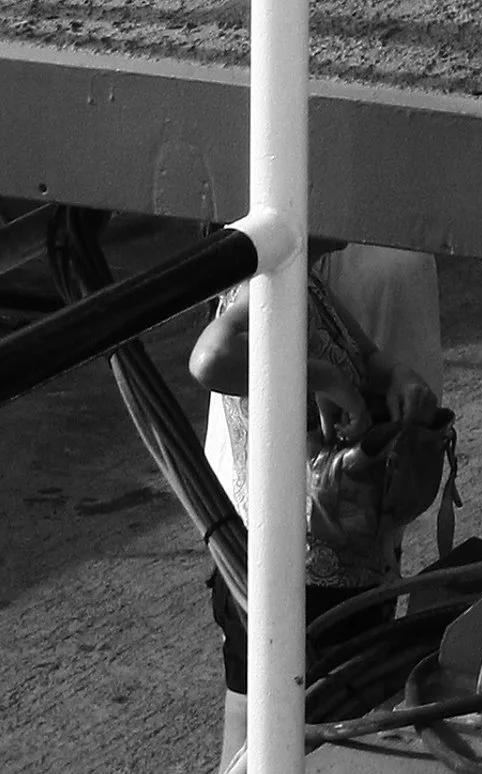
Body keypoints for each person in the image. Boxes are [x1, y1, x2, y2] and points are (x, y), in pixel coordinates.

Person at [189, 238, 449, 773]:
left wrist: (398, 377)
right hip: (290, 576)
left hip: (343, 562)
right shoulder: (263, 288)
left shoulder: (307, 285)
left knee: (310, 736)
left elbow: (368, 358)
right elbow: (209, 359)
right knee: (276, 740)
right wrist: (322, 377)